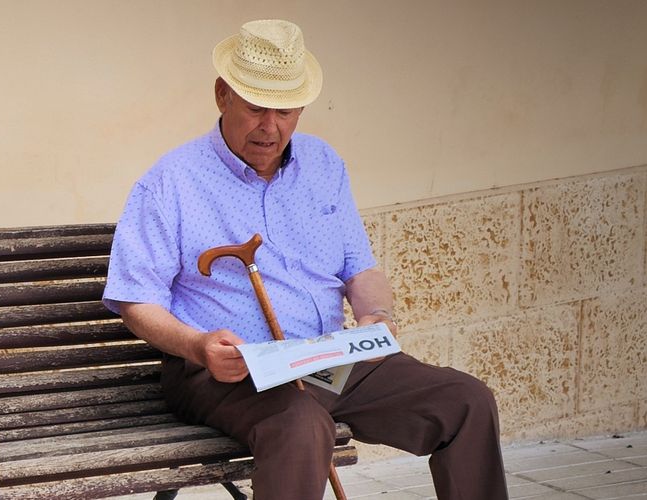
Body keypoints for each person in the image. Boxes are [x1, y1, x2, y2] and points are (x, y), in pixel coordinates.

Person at [102, 20, 508, 500]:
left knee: (465, 401)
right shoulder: (171, 182)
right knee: (299, 424)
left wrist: (376, 317)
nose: (270, 127)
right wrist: (198, 345)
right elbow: (135, 299)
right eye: (256, 107)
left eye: (286, 111)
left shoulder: (323, 164)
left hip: (325, 359)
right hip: (227, 372)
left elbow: (361, 267)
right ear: (221, 95)